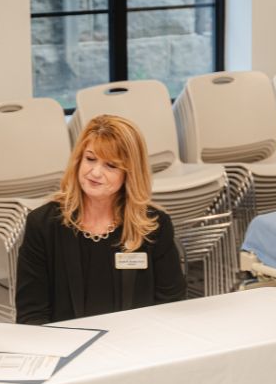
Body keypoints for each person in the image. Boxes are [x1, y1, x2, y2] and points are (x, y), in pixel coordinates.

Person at [15, 114, 186, 325]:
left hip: (136, 344)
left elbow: (171, 305)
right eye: (90, 159)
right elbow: (31, 315)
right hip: (66, 346)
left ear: (130, 173)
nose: (95, 172)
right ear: (78, 159)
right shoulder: (43, 225)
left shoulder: (154, 226)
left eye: (111, 166)